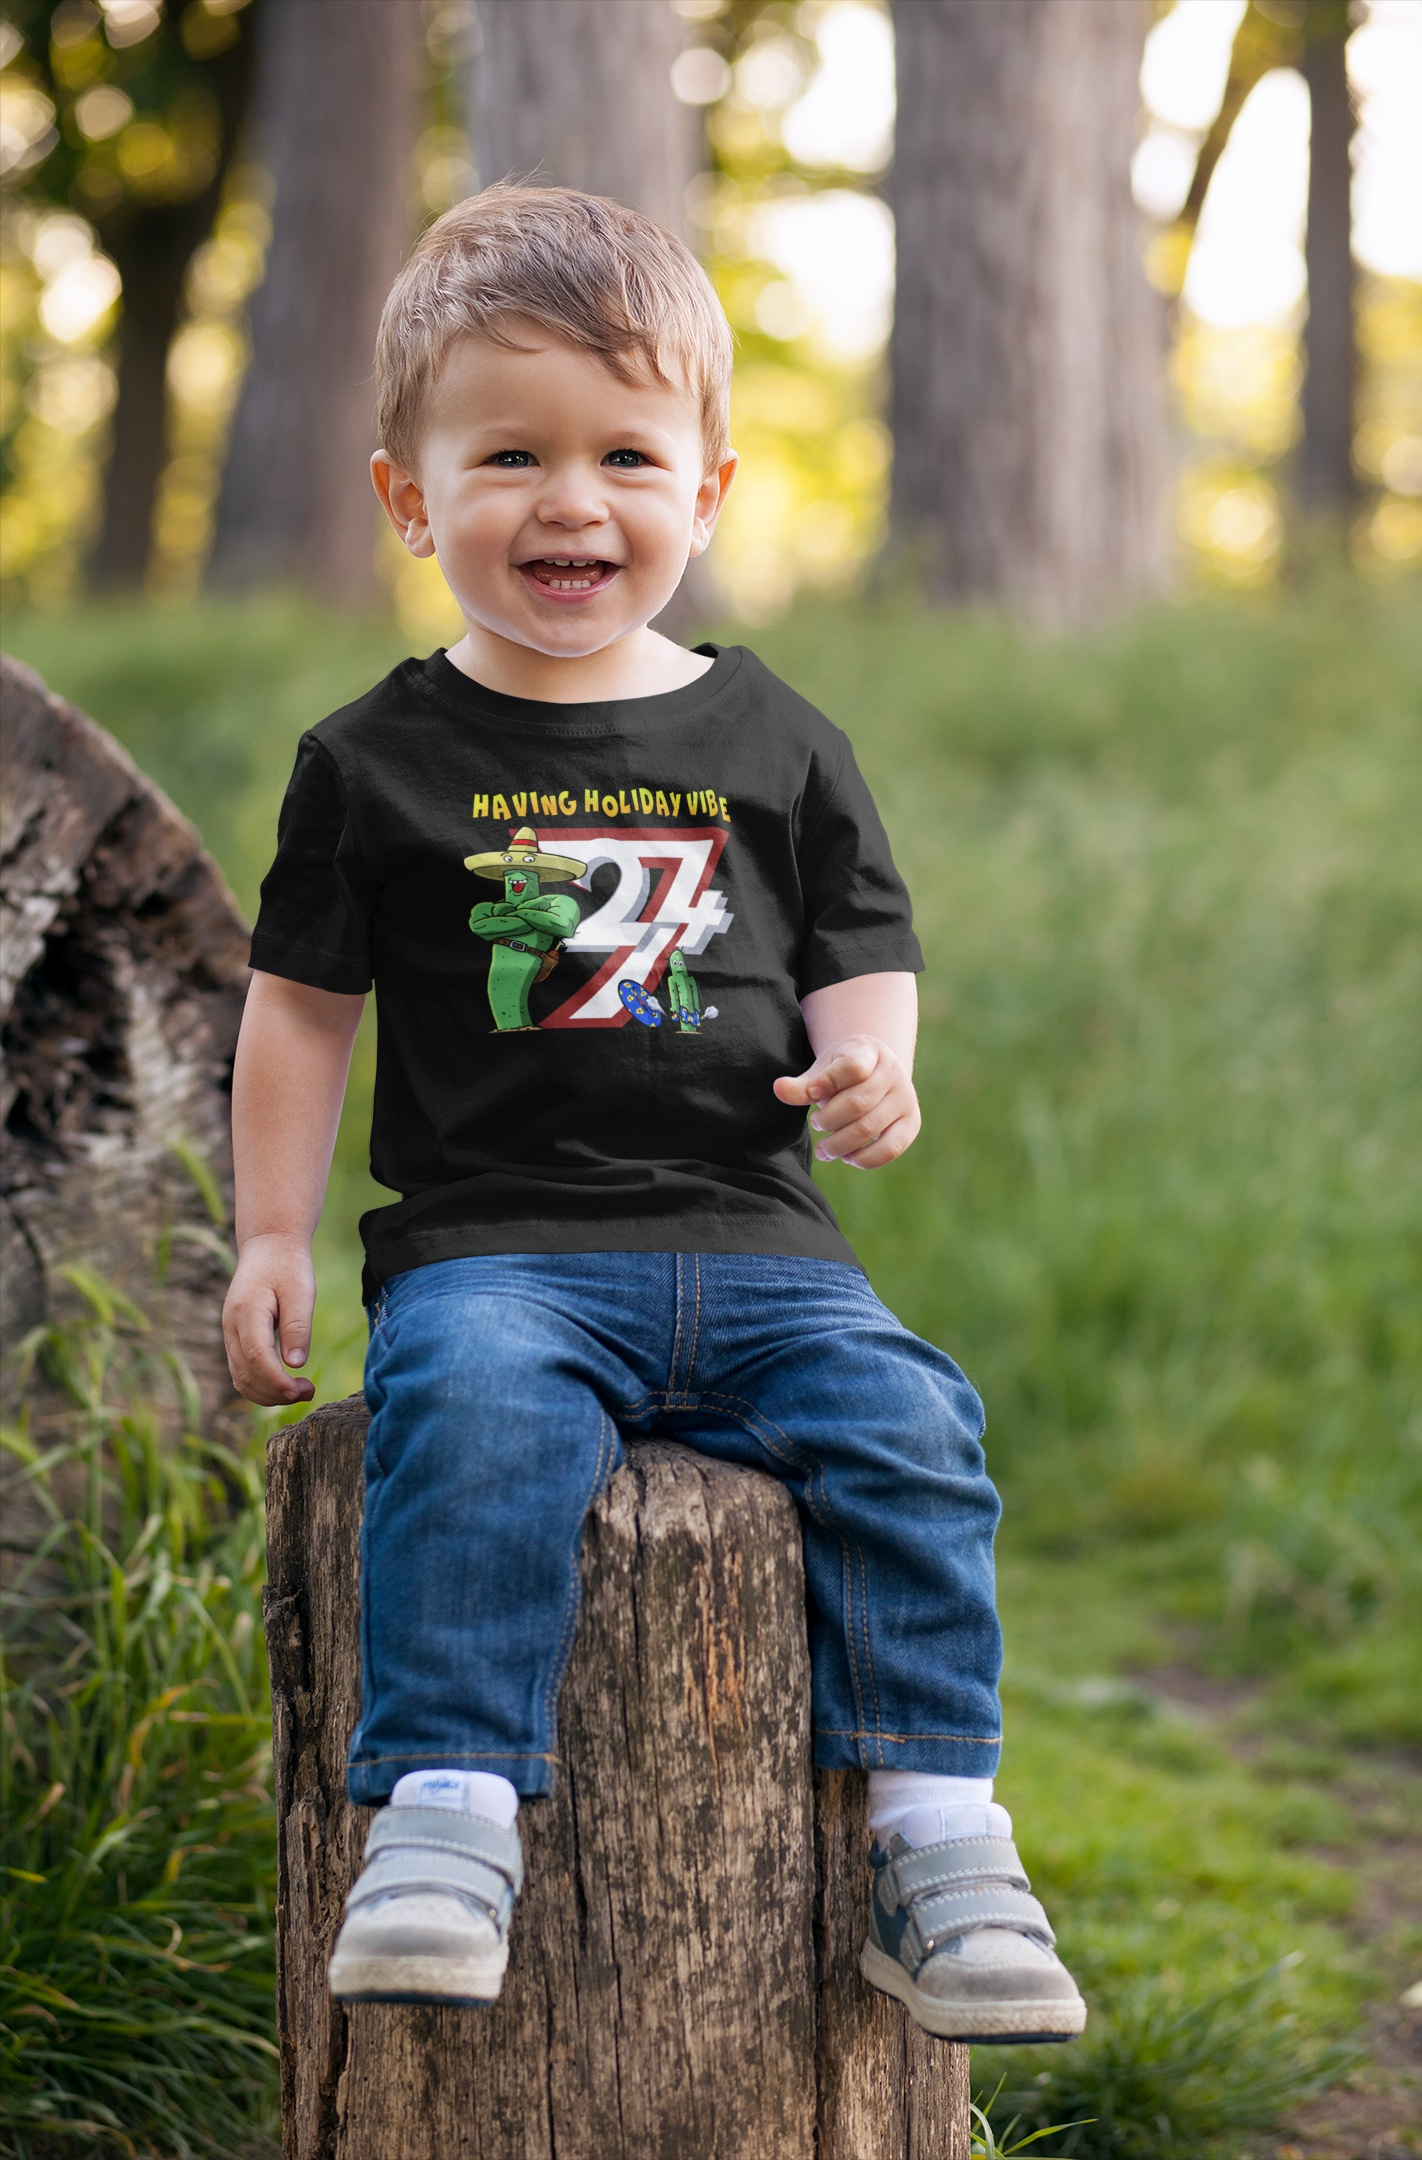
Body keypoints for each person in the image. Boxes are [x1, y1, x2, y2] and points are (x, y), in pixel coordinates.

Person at [223, 184, 1086, 2047]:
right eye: (510, 455)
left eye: (625, 455)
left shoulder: (776, 737)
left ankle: (939, 1836)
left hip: (764, 1249)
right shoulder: (372, 761)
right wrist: (271, 1235)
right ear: (407, 498)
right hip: (501, 1255)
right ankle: (447, 1813)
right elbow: (298, 1008)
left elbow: (861, 946)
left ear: (707, 492)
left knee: (916, 1428)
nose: (572, 501)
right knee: (471, 1431)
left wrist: (874, 1062)